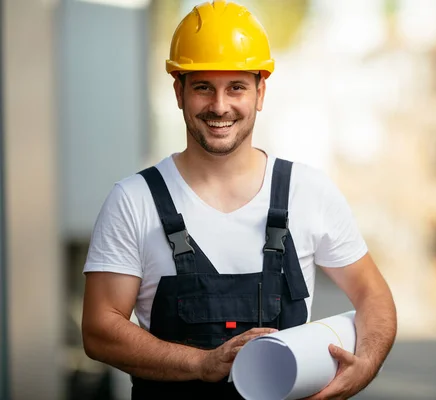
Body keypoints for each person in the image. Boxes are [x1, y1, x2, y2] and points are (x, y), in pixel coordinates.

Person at [81, 1, 397, 399]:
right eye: (202, 87)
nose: (219, 105)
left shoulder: (308, 191)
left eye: (236, 87)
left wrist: (365, 364)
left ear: (260, 91)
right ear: (178, 91)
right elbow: (98, 329)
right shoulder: (134, 201)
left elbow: (373, 295)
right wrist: (201, 363)